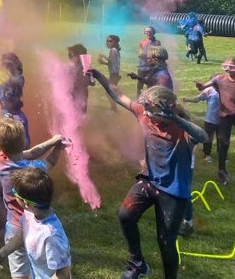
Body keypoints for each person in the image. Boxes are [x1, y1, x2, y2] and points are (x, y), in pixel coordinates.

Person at [89, 68, 207, 279]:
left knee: (166, 241)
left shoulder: (183, 131)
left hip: (174, 190)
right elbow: (118, 95)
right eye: (146, 108)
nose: (147, 113)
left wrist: (177, 120)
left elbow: (204, 136)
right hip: (150, 181)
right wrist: (98, 76)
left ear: (168, 109)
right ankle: (139, 264)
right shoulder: (144, 114)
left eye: (151, 109)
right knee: (125, 215)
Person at [0, 117, 65, 279]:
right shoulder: (30, 171)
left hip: (13, 226)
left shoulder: (2, 160)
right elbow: (50, 161)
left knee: (20, 270)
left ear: (0, 146)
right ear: (24, 141)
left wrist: (52, 141)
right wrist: (57, 147)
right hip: (33, 224)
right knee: (40, 264)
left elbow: (31, 152)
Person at [0, 167, 72, 279]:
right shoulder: (30, 215)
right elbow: (23, 234)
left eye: (15, 194)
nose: (13, 195)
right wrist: (3, 252)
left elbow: (63, 274)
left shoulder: (51, 236)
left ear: (26, 203)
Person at [194, 57, 235, 185]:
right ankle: (222, 171)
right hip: (225, 116)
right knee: (223, 142)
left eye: (231, 67)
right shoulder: (219, 79)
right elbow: (203, 87)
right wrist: (200, 85)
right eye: (225, 66)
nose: (228, 70)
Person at [183, 85, 220, 163]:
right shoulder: (209, 90)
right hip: (210, 119)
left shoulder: (226, 88)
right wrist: (186, 100)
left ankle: (222, 155)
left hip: (223, 119)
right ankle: (207, 155)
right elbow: (197, 100)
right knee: (208, 138)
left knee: (221, 138)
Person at [66, 44, 95, 116]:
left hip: (81, 94)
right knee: (73, 114)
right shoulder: (72, 66)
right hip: (73, 94)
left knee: (79, 114)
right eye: (68, 55)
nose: (69, 58)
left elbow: (92, 82)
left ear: (78, 56)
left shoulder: (85, 67)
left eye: (71, 55)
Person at [98, 35, 122, 113]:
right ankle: (114, 108)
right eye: (107, 41)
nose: (108, 42)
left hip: (114, 74)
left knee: (109, 92)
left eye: (111, 41)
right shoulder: (114, 50)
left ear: (115, 42)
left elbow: (111, 61)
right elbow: (112, 63)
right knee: (110, 92)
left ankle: (114, 108)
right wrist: (103, 63)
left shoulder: (114, 50)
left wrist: (103, 56)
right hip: (114, 73)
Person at [135, 27, 161, 95]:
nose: (148, 33)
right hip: (142, 66)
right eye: (147, 32)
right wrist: (142, 54)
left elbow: (156, 54)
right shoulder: (142, 42)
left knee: (150, 85)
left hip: (151, 67)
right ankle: (138, 100)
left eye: (150, 32)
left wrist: (145, 54)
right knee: (140, 85)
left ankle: (148, 100)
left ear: (153, 32)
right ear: (144, 33)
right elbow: (140, 54)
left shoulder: (156, 42)